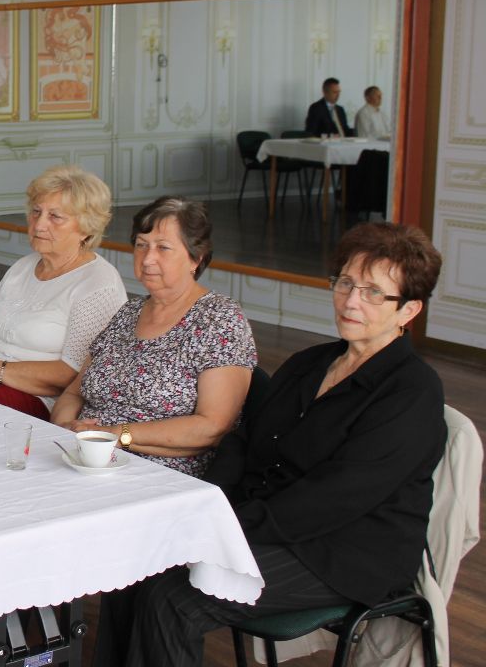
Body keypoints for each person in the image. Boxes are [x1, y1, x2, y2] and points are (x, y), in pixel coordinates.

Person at [97, 222, 447, 667]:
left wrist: (232, 527)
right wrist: (211, 505)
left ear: (408, 309)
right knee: (134, 567)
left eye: (373, 292)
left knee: (175, 598)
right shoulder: (309, 364)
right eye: (345, 283)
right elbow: (243, 442)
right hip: (267, 522)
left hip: (343, 552)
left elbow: (337, 497)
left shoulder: (412, 392)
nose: (351, 301)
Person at [50, 196, 256, 477]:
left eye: (163, 248)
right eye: (141, 245)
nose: (147, 259)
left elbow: (213, 427)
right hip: (86, 456)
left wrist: (116, 435)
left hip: (156, 473)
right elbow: (74, 392)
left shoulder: (219, 319)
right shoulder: (129, 312)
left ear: (196, 258)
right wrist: (66, 428)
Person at [0, 165, 126, 420]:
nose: (39, 224)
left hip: (37, 401)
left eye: (55, 217)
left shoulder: (98, 283)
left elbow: (70, 373)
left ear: (86, 228)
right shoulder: (22, 266)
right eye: (36, 212)